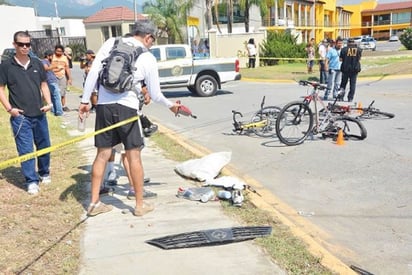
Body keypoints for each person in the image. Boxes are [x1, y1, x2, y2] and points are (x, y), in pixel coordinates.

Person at [78, 20, 180, 217]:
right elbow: (156, 94)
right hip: (128, 110)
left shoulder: (111, 43)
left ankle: (94, 204)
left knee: (102, 155)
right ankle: (140, 205)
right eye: (153, 40)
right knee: (134, 156)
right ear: (148, 37)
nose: (152, 43)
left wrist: (84, 100)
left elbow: (93, 73)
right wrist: (172, 106)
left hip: (104, 107)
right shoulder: (148, 57)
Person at [0, 31, 53, 195]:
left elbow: (44, 85)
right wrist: (10, 109)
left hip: (40, 114)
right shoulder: (6, 66)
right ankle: (31, 180)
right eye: (21, 44)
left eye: (27, 44)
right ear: (14, 44)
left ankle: (44, 172)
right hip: (21, 117)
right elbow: (1, 89)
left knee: (44, 145)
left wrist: (49, 103)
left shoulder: (37, 63)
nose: (24, 47)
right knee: (26, 149)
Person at [338, 38, 362, 102]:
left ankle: (340, 97)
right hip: (354, 70)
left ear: (348, 42)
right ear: (354, 42)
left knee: (343, 84)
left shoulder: (344, 50)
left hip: (345, 69)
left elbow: (340, 59)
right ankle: (350, 98)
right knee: (352, 84)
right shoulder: (359, 50)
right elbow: (359, 59)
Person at [42, 50, 64, 116]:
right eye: (52, 56)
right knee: (57, 96)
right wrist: (54, 66)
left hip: (52, 80)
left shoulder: (48, 62)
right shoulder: (44, 61)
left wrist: (57, 69)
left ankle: (54, 111)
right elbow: (46, 68)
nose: (52, 57)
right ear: (48, 56)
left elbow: (50, 70)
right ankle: (59, 111)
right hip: (50, 81)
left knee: (53, 96)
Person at [52, 44, 72, 112]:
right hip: (53, 76)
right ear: (55, 50)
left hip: (62, 76)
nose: (59, 53)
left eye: (60, 51)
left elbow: (67, 68)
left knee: (63, 92)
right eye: (57, 51)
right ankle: (55, 107)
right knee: (55, 92)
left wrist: (69, 78)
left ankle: (63, 106)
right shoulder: (52, 57)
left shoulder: (64, 58)